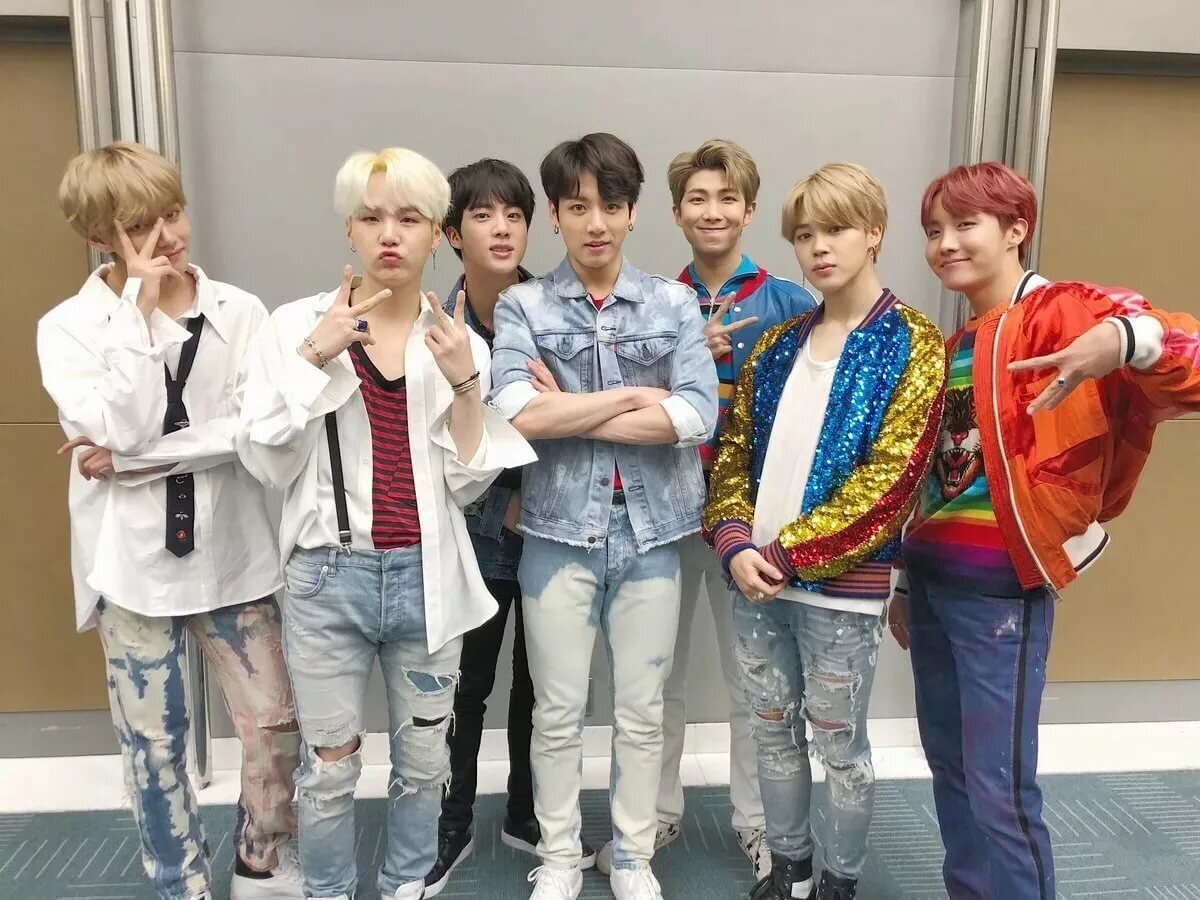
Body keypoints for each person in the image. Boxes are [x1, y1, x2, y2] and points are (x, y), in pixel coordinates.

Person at [890, 160, 1200, 900]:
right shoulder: (957, 343)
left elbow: (1189, 355)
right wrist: (903, 581)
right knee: (951, 768)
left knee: (999, 786)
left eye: (965, 225)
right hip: (932, 583)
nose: (945, 243)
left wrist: (1122, 340)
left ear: (1016, 230)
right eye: (934, 230)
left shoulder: (1066, 310)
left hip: (1001, 590)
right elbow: (937, 477)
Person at [237, 147, 535, 900]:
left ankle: (406, 886)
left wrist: (466, 383)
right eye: (371, 218)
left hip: (426, 578)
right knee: (329, 769)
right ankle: (328, 893)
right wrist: (315, 355)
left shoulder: (457, 339)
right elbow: (265, 457)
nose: (389, 234)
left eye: (409, 218)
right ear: (349, 230)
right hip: (326, 578)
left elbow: (466, 481)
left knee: (425, 766)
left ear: (437, 234)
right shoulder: (296, 326)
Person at [37, 141, 304, 900]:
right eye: (140, 226)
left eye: (174, 213)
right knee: (152, 747)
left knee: (275, 724)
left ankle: (261, 860)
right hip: (131, 567)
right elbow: (121, 425)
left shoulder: (241, 312)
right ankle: (178, 882)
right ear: (100, 237)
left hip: (235, 554)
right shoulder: (70, 327)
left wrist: (131, 463)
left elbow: (253, 432)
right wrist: (139, 314)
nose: (168, 236)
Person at [704, 163, 946, 900]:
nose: (818, 248)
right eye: (805, 234)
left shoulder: (911, 341)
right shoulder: (779, 344)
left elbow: (891, 480)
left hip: (840, 589)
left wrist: (783, 553)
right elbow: (732, 455)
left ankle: (840, 881)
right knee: (771, 731)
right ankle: (791, 869)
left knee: (840, 745)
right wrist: (734, 543)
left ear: (873, 233)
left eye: (836, 229)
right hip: (756, 581)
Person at [489, 132, 718, 900]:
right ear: (554, 215)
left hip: (652, 535)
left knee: (641, 712)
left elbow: (696, 415)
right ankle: (559, 857)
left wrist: (572, 408)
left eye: (611, 206)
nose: (596, 223)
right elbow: (517, 413)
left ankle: (631, 857)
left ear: (632, 212)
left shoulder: (672, 303)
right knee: (555, 711)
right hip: (557, 534)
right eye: (578, 207)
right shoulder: (523, 304)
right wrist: (633, 396)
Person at [624, 138, 816, 882]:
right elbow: (622, 403)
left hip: (753, 526)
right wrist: (685, 357)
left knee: (753, 680)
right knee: (656, 679)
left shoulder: (790, 302)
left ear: (750, 209)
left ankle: (759, 824)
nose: (713, 212)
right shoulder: (650, 302)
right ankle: (654, 816)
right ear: (675, 213)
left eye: (727, 198)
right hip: (664, 516)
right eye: (697, 199)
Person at [426, 158, 596, 896]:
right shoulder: (436, 326)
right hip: (470, 532)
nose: (501, 229)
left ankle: (526, 814)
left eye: (515, 215)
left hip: (553, 525)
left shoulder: (558, 309)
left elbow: (584, 414)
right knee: (464, 686)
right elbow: (434, 441)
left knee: (543, 684)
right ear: (451, 233)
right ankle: (452, 821)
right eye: (483, 215)